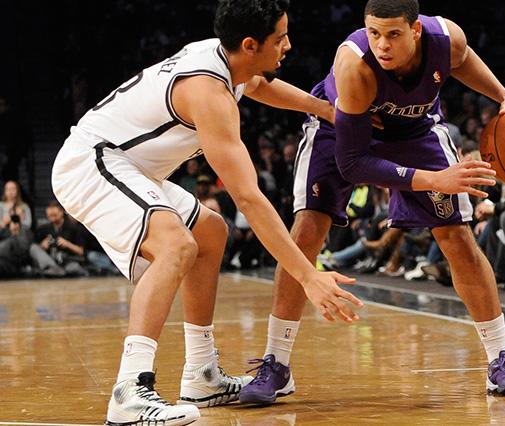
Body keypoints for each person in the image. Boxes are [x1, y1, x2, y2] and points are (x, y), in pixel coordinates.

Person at [51, 1, 363, 424]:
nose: (288, 45)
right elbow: (248, 198)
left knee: (210, 231)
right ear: (250, 45)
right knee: (176, 245)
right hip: (93, 163)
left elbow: (258, 84)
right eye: (280, 38)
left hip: (130, 166)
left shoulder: (226, 59)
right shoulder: (209, 93)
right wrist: (308, 277)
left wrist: (324, 109)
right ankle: (129, 390)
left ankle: (202, 373)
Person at [240, 0, 505, 404]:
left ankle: (501, 358)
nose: (382, 45)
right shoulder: (355, 66)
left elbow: (462, 60)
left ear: (415, 30)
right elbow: (353, 164)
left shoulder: (447, 38)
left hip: (414, 131)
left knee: (457, 237)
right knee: (307, 231)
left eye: (393, 34)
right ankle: (276, 363)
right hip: (341, 131)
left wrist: (504, 97)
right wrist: (433, 179)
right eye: (374, 33)